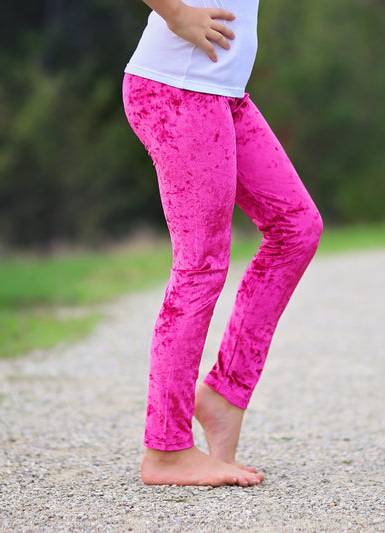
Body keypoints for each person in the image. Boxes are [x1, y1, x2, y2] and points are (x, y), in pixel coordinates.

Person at [122, 0, 323, 487]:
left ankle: (223, 396)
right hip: (177, 90)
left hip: (221, 93)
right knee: (200, 265)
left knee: (296, 227)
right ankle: (166, 450)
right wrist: (174, 13)